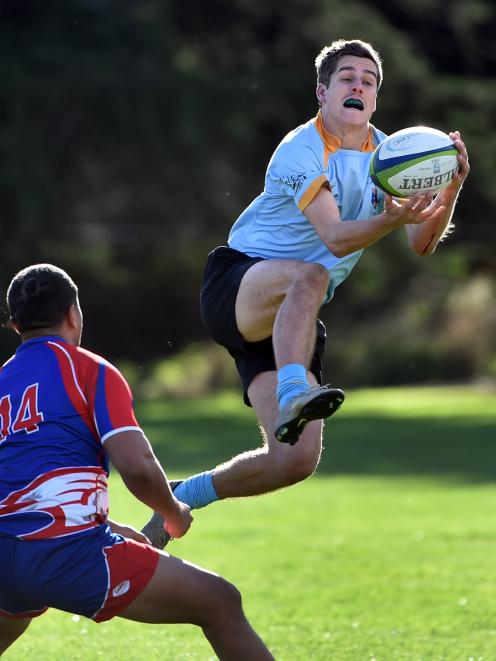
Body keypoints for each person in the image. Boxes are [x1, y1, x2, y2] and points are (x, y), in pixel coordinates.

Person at [143, 38, 470, 547]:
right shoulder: (302, 148)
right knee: (311, 275)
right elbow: (335, 238)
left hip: (293, 314)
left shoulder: (390, 157)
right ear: (322, 91)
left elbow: (422, 243)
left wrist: (449, 189)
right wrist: (390, 218)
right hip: (239, 283)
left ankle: (187, 493)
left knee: (293, 461)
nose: (358, 84)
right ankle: (297, 390)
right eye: (347, 77)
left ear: (376, 99)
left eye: (368, 79)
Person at [0, 264, 274, 660]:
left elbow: (21, 487)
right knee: (220, 602)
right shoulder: (89, 371)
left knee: (13, 615)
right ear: (74, 315)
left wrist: (110, 525)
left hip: (5, 560)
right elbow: (139, 467)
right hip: (68, 555)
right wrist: (173, 513)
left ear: (15, 326)